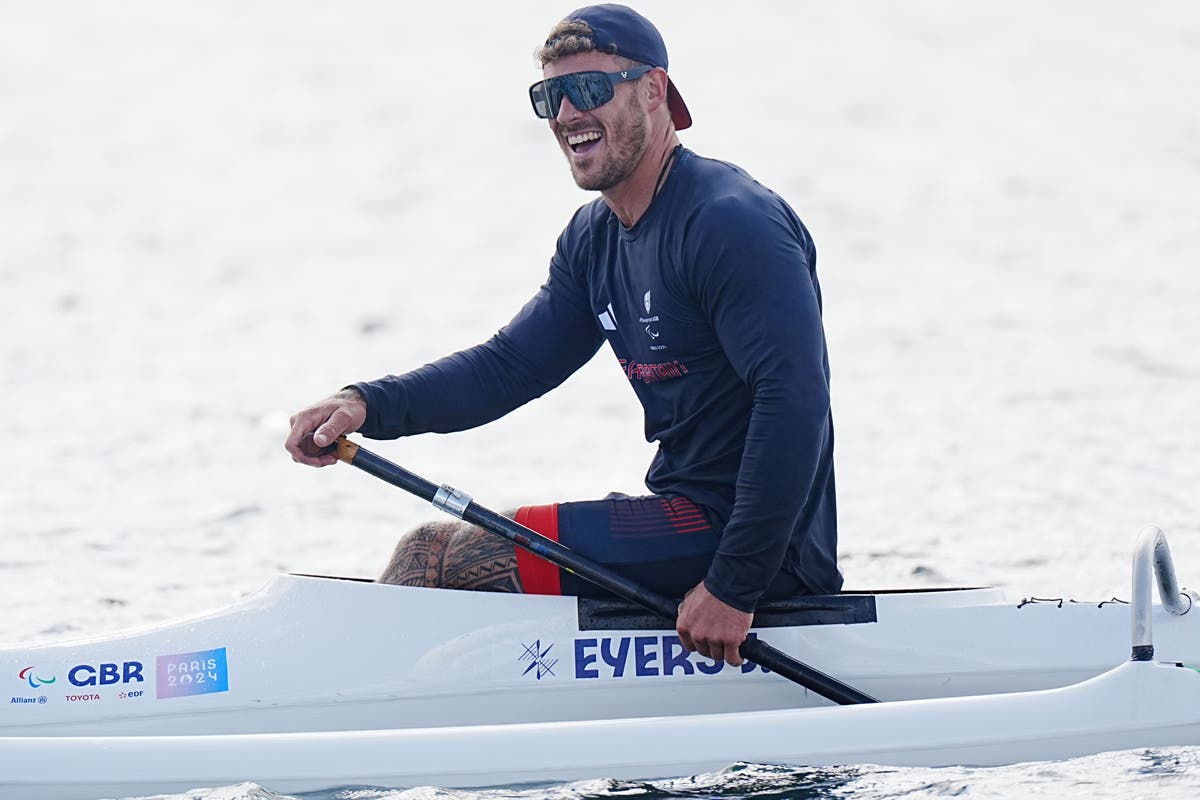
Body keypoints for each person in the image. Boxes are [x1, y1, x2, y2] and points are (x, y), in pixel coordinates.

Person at [285, 4, 840, 668]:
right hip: (682, 519)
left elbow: (795, 402)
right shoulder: (593, 240)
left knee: (430, 556)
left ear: (655, 91)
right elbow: (508, 367)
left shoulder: (730, 223)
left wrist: (733, 586)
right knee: (437, 559)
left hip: (753, 546)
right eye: (551, 95)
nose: (568, 113)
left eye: (590, 89)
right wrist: (368, 403)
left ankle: (350, 715)